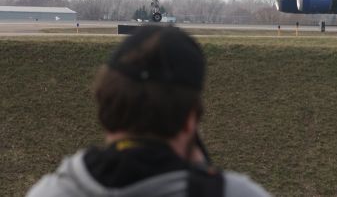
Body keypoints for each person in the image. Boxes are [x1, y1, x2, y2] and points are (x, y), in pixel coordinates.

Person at [28, 25, 270, 197]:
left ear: (104, 108)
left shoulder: (49, 190)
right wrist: (204, 177)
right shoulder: (233, 192)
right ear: (190, 121)